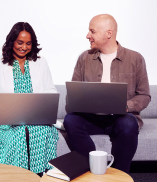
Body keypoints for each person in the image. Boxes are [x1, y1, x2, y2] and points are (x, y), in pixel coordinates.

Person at [63, 14, 151, 173]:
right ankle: (91, 169)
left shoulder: (135, 58)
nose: (87, 36)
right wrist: (78, 101)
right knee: (70, 120)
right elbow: (72, 96)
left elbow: (144, 95)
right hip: (91, 118)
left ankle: (118, 174)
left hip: (120, 118)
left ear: (108, 34)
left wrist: (125, 106)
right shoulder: (84, 58)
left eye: (92, 31)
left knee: (129, 123)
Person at [0, 22, 59, 176]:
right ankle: (20, 176)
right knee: (19, 134)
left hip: (37, 120)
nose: (24, 47)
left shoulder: (41, 63)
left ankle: (39, 175)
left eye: (28, 43)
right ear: (12, 41)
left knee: (42, 131)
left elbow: (50, 91)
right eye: (20, 42)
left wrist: (40, 109)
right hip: (10, 121)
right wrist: (7, 111)